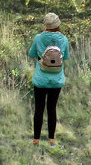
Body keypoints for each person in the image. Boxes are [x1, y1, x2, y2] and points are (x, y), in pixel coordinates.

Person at [28, 12, 69, 147]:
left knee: (39, 109)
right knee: (52, 109)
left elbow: (31, 54)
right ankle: (51, 140)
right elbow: (66, 57)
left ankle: (36, 140)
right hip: (57, 80)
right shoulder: (64, 39)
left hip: (40, 79)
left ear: (45, 25)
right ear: (58, 25)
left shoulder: (38, 38)